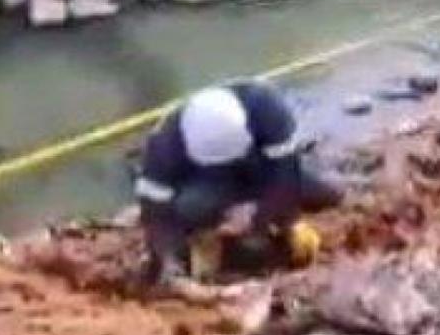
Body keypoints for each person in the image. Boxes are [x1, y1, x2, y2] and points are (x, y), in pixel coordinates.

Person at [134, 80, 341, 288]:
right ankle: (205, 232)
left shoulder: (266, 108)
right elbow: (154, 213)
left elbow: (286, 172)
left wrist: (281, 221)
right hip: (209, 181)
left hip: (260, 167)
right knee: (187, 209)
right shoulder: (164, 145)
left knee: (330, 196)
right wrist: (169, 262)